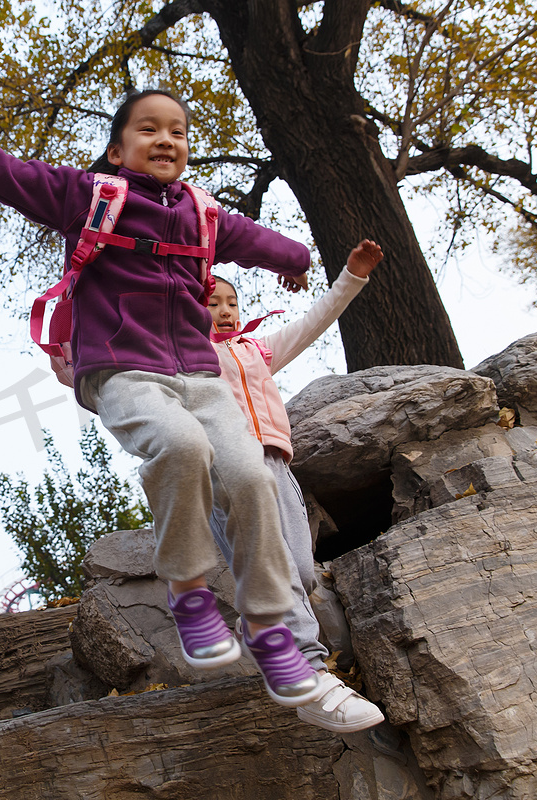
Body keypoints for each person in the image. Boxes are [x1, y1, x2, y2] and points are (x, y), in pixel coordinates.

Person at [0, 89, 326, 709]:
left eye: (178, 131)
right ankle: (189, 590)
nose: (166, 139)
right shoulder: (89, 196)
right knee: (180, 446)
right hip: (121, 370)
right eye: (149, 130)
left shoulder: (202, 214)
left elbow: (252, 237)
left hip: (199, 373)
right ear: (118, 150)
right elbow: (8, 172)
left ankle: (271, 625)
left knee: (250, 475)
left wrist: (296, 258)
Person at [208, 239, 388, 733]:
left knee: (302, 573)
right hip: (223, 466)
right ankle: (306, 675)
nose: (224, 312)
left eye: (231, 304)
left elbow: (313, 322)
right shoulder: (182, 358)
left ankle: (263, 629)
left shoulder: (256, 350)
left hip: (274, 462)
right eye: (211, 302)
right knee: (276, 569)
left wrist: (350, 276)